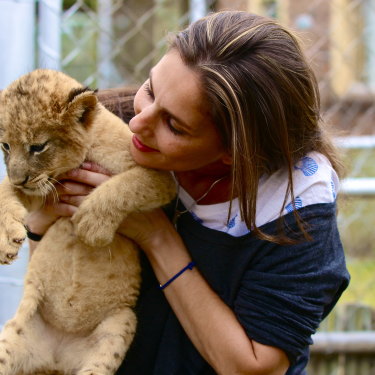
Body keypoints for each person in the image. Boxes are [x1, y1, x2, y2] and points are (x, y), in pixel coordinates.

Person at [26, 10, 350, 375]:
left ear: (235, 153)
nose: (137, 122)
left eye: (174, 125)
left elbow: (252, 368)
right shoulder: (107, 130)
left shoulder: (295, 211)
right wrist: (42, 219)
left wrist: (155, 235)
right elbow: (59, 285)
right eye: (149, 89)